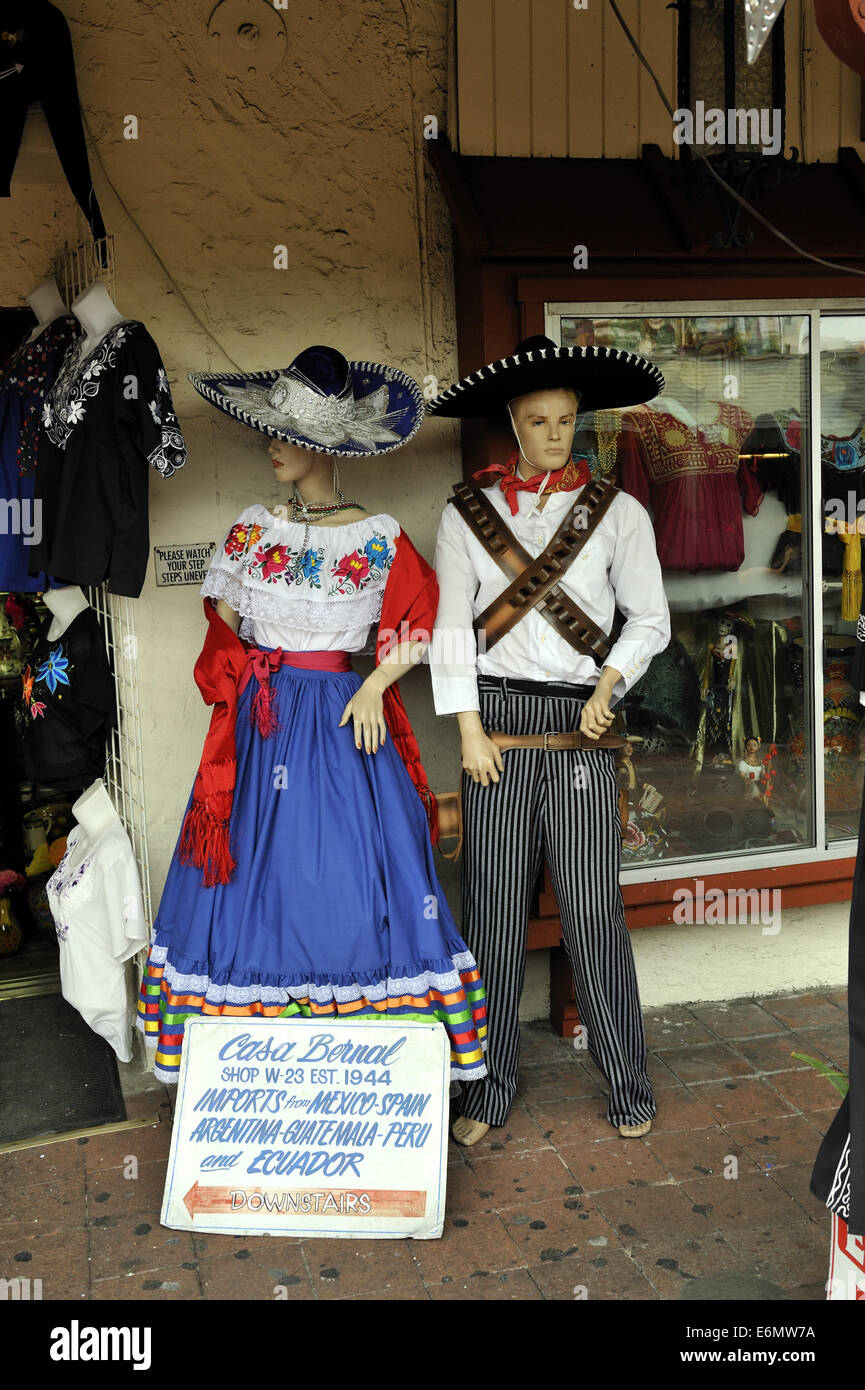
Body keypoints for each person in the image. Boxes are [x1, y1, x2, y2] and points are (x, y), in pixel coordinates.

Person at [137, 345, 487, 1083]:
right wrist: (246, 671)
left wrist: (371, 685)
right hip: (264, 721)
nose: (270, 445)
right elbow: (223, 621)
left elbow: (422, 625)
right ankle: (250, 1063)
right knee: (252, 871)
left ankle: (363, 1060)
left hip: (340, 716)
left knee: (351, 869)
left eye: (282, 433)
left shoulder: (378, 537)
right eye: (270, 430)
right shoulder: (253, 528)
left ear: (319, 445)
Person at [427, 335, 669, 1145]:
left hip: (578, 727)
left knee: (592, 907)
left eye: (567, 420)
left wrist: (610, 684)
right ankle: (486, 1091)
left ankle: (628, 1085)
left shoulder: (619, 512)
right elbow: (451, 633)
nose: (556, 435)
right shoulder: (466, 512)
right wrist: (465, 731)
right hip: (494, 726)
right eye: (539, 421)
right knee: (490, 909)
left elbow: (650, 619)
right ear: (513, 424)